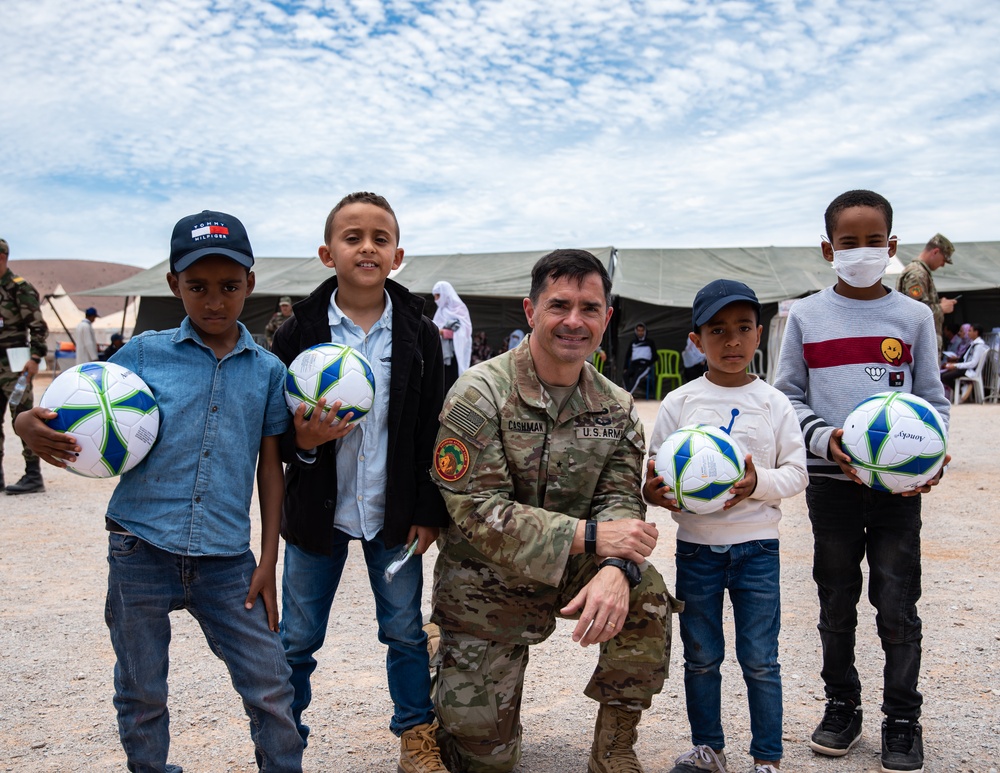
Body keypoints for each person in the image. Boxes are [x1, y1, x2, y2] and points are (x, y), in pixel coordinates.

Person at [14, 210, 303, 771]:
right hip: (139, 549)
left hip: (227, 560)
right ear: (174, 286)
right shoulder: (143, 355)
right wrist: (26, 423)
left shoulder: (268, 370)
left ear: (250, 284)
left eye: (229, 287)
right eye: (197, 287)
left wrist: (268, 558)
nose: (214, 301)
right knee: (142, 690)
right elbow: (75, 403)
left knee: (270, 685)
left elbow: (271, 468)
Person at [430, 249, 675, 773]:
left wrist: (616, 567)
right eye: (559, 305)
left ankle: (614, 747)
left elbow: (622, 501)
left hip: (575, 566)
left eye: (590, 308)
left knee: (646, 595)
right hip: (483, 582)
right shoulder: (479, 395)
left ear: (606, 318)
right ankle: (445, 656)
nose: (573, 321)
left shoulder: (615, 406)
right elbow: (478, 511)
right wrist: (593, 538)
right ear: (530, 310)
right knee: (484, 762)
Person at [270, 192, 450, 772]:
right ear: (328, 253)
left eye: (380, 238)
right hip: (315, 512)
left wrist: (428, 509)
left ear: (397, 255)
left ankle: (415, 736)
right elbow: (276, 432)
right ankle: (282, 740)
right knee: (296, 638)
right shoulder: (296, 330)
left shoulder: (420, 333)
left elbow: (431, 428)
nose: (367, 247)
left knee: (403, 630)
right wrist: (303, 445)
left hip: (392, 512)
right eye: (353, 237)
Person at [773, 190, 951, 773]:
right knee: (836, 598)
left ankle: (902, 718)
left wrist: (931, 455)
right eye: (849, 243)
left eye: (874, 241)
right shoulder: (806, 315)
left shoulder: (915, 316)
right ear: (829, 249)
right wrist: (828, 440)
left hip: (897, 490)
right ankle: (842, 705)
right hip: (832, 485)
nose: (862, 251)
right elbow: (787, 399)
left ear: (892, 247)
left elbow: (931, 400)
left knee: (898, 603)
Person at [644, 279, 808, 773]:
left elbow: (796, 472)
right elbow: (653, 466)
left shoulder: (774, 403)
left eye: (743, 329)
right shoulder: (680, 402)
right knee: (701, 656)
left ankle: (767, 759)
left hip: (757, 548)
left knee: (760, 658)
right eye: (718, 331)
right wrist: (650, 491)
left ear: (760, 334)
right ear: (696, 341)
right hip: (696, 549)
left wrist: (757, 482)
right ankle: (708, 749)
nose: (732, 341)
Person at [0, 237, 48, 495]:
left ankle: (33, 475)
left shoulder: (19, 288)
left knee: (22, 417)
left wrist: (35, 358)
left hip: (16, 364)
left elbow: (38, 326)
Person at [896, 233, 957, 356]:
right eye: (943, 260)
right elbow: (916, 312)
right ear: (935, 252)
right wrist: (941, 308)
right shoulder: (917, 275)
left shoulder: (920, 273)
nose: (942, 264)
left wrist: (938, 304)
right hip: (921, 346)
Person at [432, 280, 472, 389]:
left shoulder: (460, 309)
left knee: (451, 382)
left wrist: (442, 332)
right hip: (442, 354)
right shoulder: (440, 311)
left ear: (445, 294)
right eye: (435, 296)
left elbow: (464, 334)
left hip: (454, 354)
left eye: (438, 296)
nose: (436, 300)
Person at [941, 322, 988, 402]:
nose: (968, 333)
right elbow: (965, 359)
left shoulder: (979, 345)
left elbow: (973, 363)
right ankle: (963, 387)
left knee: (945, 377)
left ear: (976, 332)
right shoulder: (973, 344)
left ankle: (962, 387)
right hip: (965, 368)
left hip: (969, 370)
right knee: (943, 375)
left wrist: (956, 366)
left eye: (970, 331)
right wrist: (955, 364)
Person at [623, 322, 657, 396]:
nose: (640, 332)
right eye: (638, 330)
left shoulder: (650, 342)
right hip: (634, 365)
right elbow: (628, 356)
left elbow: (655, 356)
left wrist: (648, 364)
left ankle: (627, 395)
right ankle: (627, 394)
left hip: (645, 365)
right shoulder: (633, 343)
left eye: (642, 330)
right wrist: (625, 367)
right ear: (636, 331)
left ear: (645, 331)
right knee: (625, 375)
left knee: (637, 376)